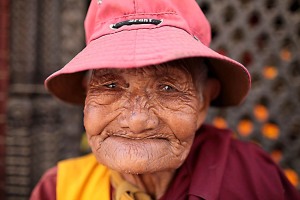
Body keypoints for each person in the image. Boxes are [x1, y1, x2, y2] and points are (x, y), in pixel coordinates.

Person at [30, 0, 300, 199]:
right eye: (111, 85)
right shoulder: (59, 190)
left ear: (204, 101)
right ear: (88, 94)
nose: (137, 122)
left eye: (168, 88)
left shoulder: (253, 181)